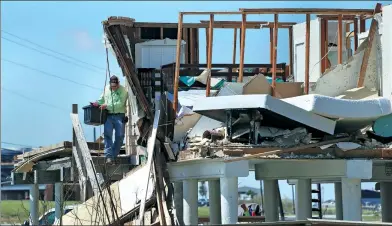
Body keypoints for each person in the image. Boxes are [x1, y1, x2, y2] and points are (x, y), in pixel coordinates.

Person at [93, 75, 128, 164]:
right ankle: (109, 156)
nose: (114, 88)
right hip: (108, 116)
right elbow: (101, 99)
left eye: (115, 87)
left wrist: (107, 106)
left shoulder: (123, 91)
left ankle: (113, 155)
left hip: (119, 115)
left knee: (120, 136)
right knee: (107, 135)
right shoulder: (107, 89)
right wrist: (96, 103)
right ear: (110, 84)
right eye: (112, 87)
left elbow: (120, 104)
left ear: (118, 84)